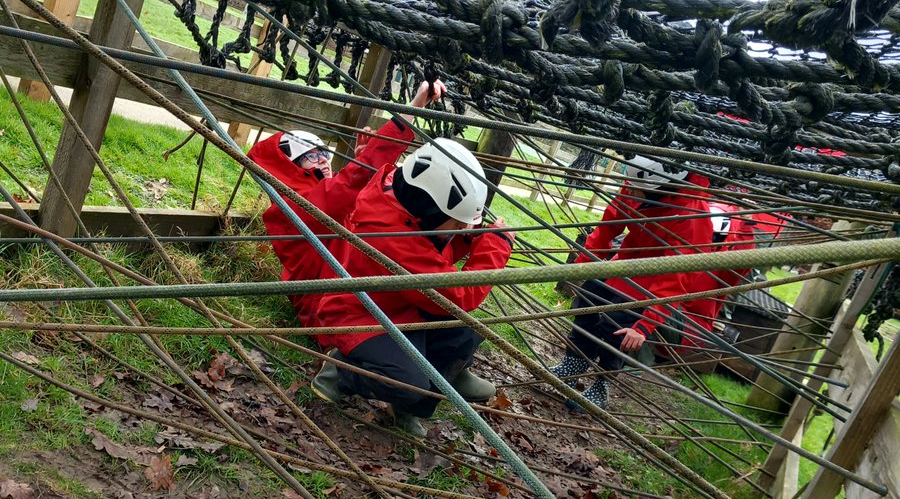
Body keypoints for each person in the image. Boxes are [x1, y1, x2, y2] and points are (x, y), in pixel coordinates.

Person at [309, 138, 514, 437]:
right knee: (408, 384)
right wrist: (495, 247)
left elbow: (432, 256)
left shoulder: (406, 204)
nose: (464, 229)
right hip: (361, 317)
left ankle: (419, 400)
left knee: (465, 332)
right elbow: (458, 296)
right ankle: (342, 372)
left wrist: (467, 238)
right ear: (432, 210)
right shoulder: (391, 237)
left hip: (400, 305)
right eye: (458, 225)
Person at [248, 79, 444, 323]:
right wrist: (414, 107)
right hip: (330, 308)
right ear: (290, 168)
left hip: (350, 292)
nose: (323, 160)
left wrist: (364, 167)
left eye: (324, 153)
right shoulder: (298, 206)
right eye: (311, 156)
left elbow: (366, 212)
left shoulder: (321, 197)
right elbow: (350, 184)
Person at [548, 155, 713, 408]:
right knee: (586, 301)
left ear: (660, 190)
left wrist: (645, 325)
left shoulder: (691, 216)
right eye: (630, 188)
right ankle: (574, 363)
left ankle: (601, 385)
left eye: (637, 191)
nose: (631, 193)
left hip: (655, 280)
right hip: (625, 261)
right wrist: (583, 263)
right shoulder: (639, 183)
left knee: (619, 328)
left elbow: (678, 276)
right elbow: (608, 226)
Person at [680, 202, 756, 348]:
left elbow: (742, 259)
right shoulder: (679, 248)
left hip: (690, 325)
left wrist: (746, 224)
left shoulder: (720, 268)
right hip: (663, 313)